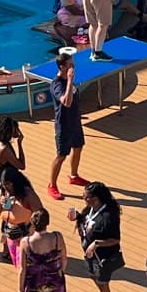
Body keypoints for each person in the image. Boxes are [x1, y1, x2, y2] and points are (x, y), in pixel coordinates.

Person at [70, 181, 123, 292]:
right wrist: (78, 217)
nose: (84, 199)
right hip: (90, 253)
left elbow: (115, 239)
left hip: (103, 257)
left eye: (86, 197)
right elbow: (87, 220)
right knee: (92, 275)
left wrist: (97, 243)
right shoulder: (90, 208)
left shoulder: (109, 216)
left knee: (103, 283)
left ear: (96, 198)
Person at [47, 49, 85, 199]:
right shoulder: (57, 85)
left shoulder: (69, 79)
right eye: (70, 65)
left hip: (75, 122)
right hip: (64, 126)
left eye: (73, 65)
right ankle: (52, 185)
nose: (73, 68)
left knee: (78, 147)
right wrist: (69, 80)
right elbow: (66, 102)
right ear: (62, 67)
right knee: (61, 155)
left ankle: (74, 176)